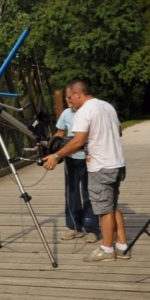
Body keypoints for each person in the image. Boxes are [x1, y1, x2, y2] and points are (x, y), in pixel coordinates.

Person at [42, 80, 129, 262]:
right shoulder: (107, 106)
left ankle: (106, 249)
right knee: (112, 206)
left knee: (104, 210)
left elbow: (77, 141)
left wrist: (56, 156)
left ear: (78, 94)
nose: (68, 101)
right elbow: (118, 132)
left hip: (101, 166)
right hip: (117, 164)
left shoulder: (84, 111)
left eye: (69, 97)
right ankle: (122, 247)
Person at [54, 103, 100, 243]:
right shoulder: (66, 113)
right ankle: (74, 226)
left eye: (71, 97)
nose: (69, 101)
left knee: (88, 192)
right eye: (66, 98)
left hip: (89, 158)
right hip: (70, 158)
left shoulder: (88, 112)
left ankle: (92, 229)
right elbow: (59, 134)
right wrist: (48, 146)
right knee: (71, 192)